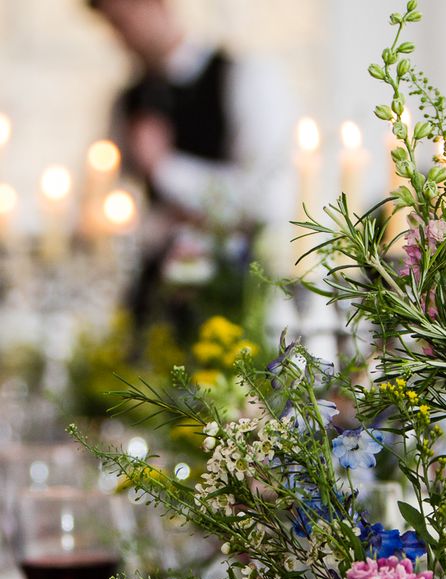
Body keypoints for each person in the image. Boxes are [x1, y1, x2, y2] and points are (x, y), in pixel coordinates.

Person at [86, 0, 296, 338]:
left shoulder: (244, 77)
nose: (122, 36)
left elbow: (263, 196)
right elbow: (118, 205)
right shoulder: (127, 102)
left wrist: (165, 168)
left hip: (236, 298)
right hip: (153, 307)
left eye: (126, 18)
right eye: (113, 25)